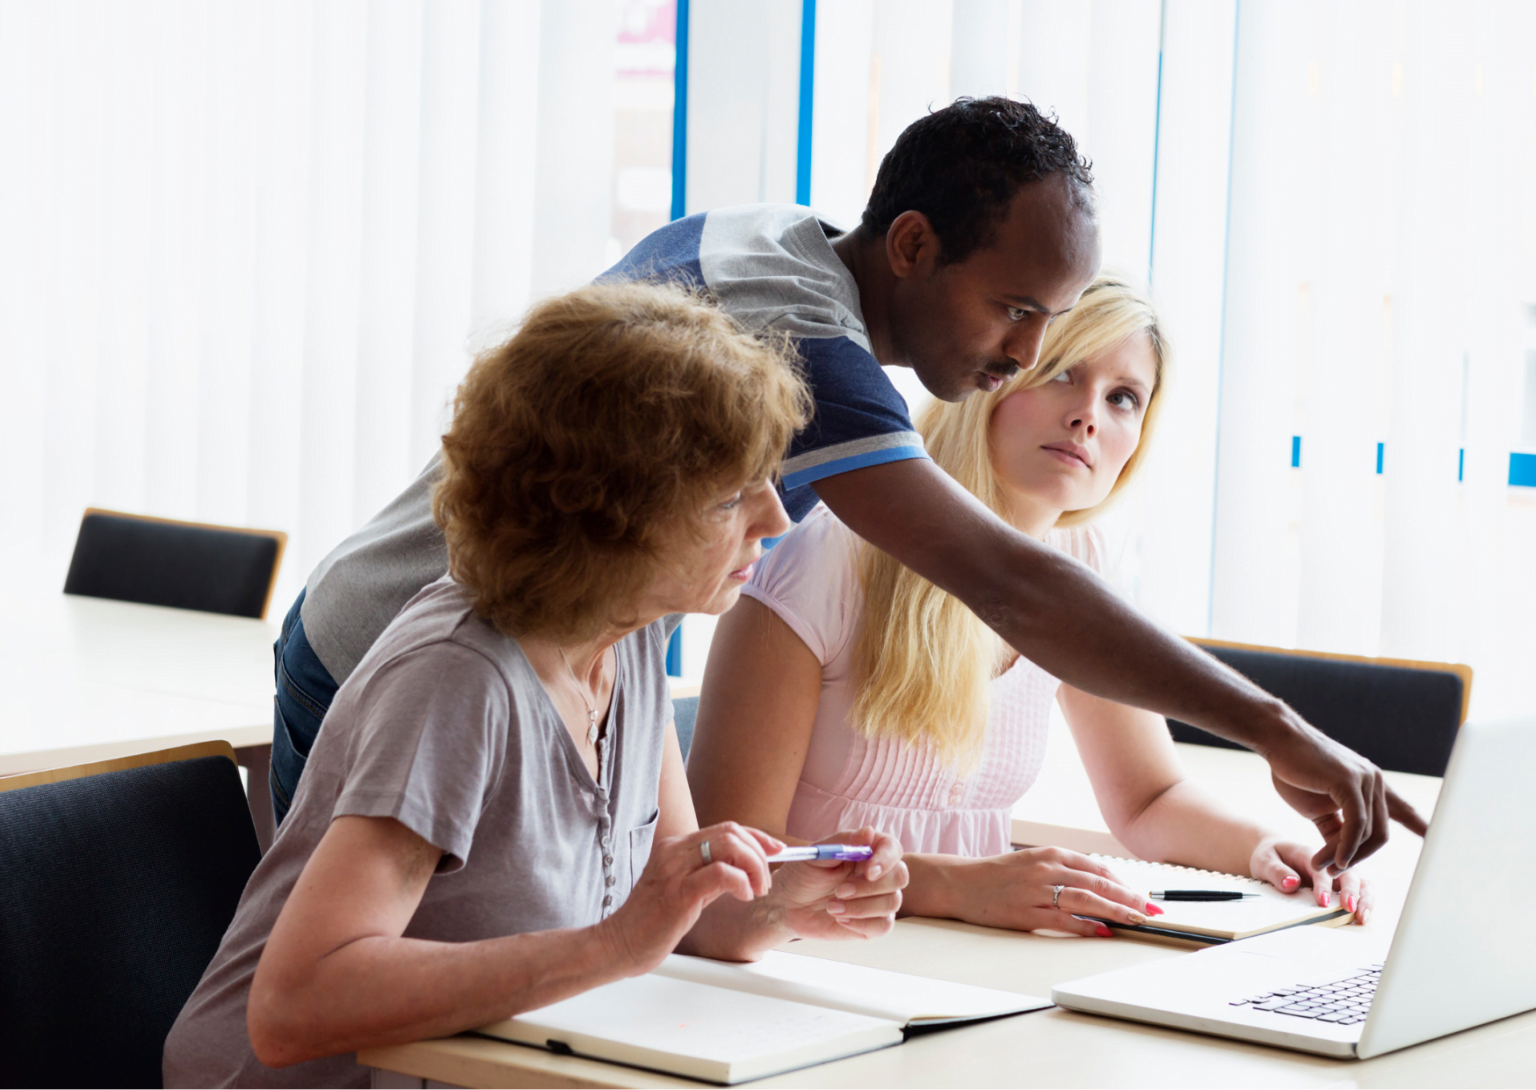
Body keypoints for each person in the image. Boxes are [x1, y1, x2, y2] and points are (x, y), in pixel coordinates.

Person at [270, 96, 1420, 879]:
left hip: (553, 659)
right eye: (1016, 312)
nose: (1023, 359)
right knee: (368, 1016)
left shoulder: (785, 242)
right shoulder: (806, 349)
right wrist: (1273, 726)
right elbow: (1007, 585)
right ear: (911, 247)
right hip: (403, 652)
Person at [163, 283, 907, 1088]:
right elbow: (294, 1006)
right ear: (607, 509)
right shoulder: (457, 679)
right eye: (732, 495)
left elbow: (680, 919)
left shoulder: (630, 644)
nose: (776, 519)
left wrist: (788, 898)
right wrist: (610, 947)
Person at [686, 277, 1374, 938]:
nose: (1088, 415)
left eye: (1124, 398)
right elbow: (735, 869)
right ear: (990, 379)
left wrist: (1268, 851)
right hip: (801, 964)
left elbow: (1147, 799)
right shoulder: (824, 556)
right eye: (1063, 372)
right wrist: (957, 886)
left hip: (968, 963)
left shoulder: (1082, 564)